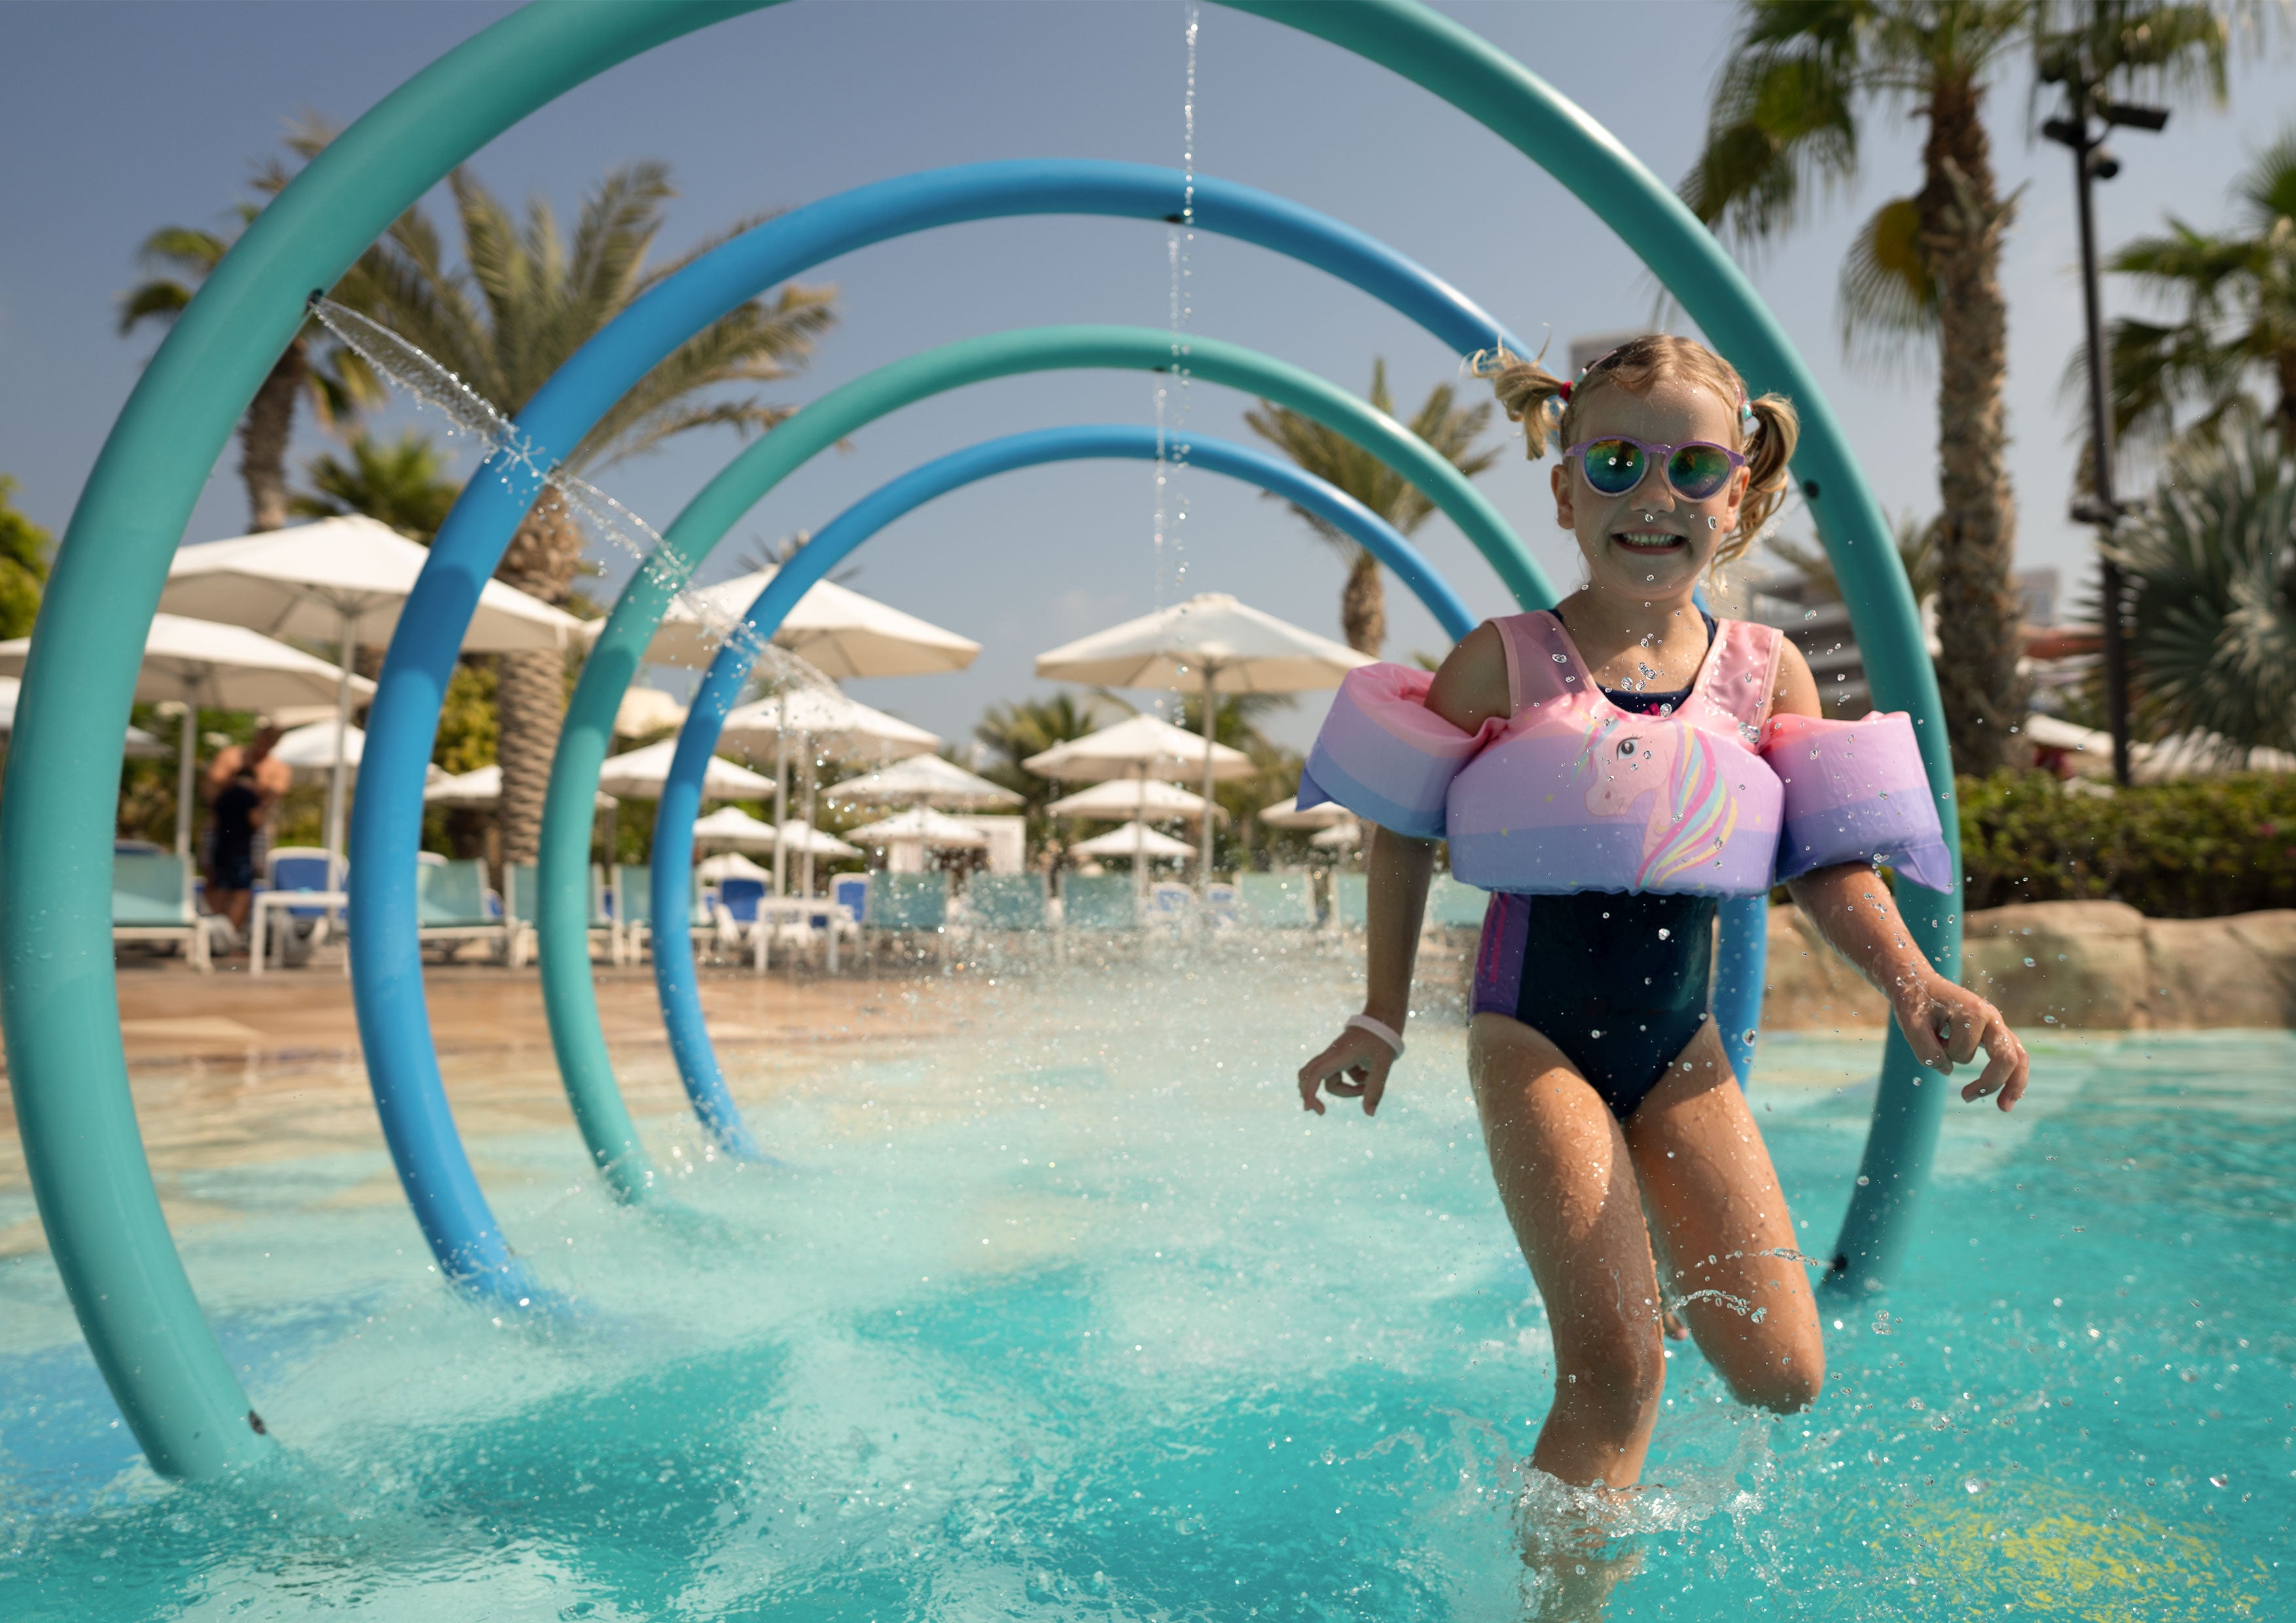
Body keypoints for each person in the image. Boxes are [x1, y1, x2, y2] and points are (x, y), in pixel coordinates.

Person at [1293, 335, 2029, 1495]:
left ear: (1735, 495)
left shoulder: (1762, 671)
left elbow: (1829, 865)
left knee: (1784, 1375)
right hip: (1528, 1032)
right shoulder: (1504, 661)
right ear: (1561, 488)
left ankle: (1639, 1221)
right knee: (1617, 1376)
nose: (1651, 497)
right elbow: (1400, 830)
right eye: (1615, 464)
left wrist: (1913, 982)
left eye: (1690, 468)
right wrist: (1378, 1018)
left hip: (1677, 1048)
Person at [202, 724, 289, 941]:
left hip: (250, 837)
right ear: (257, 736)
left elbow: (271, 798)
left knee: (244, 883)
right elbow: (211, 788)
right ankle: (215, 930)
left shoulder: (278, 768)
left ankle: (229, 934)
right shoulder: (230, 757)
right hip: (221, 829)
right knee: (215, 878)